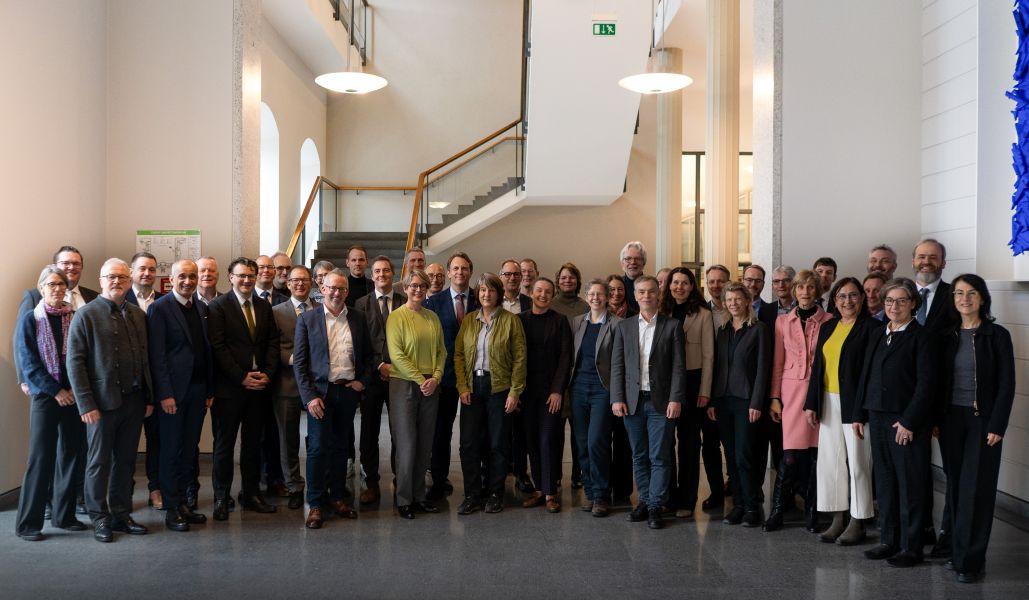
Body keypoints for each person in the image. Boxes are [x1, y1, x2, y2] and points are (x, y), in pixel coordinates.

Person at [67, 258, 153, 542]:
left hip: (134, 401)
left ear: (129, 281)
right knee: (98, 463)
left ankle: (121, 515)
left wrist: (149, 397)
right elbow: (75, 362)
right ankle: (99, 518)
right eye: (111, 277)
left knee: (126, 462)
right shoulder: (86, 315)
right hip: (101, 405)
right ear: (101, 280)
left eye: (122, 277)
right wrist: (86, 404)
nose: (117, 281)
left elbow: (144, 358)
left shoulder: (137, 314)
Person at [938, 274, 1015, 583]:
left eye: (971, 293)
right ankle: (958, 553)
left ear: (982, 298)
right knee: (956, 487)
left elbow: (1007, 384)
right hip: (951, 421)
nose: (964, 299)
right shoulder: (947, 335)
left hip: (983, 421)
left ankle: (970, 561)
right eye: (958, 293)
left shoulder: (997, 335)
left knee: (977, 489)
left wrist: (998, 424)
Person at [856, 278, 935, 568]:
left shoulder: (922, 337)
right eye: (889, 300)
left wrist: (909, 421)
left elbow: (927, 385)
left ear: (913, 303)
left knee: (910, 484)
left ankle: (911, 547)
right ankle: (888, 540)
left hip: (906, 421)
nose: (894, 306)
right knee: (886, 482)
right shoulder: (879, 333)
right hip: (877, 416)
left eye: (902, 300)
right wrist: (859, 414)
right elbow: (866, 374)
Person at [293, 269, 374, 529]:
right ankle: (316, 503)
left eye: (341, 289)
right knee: (317, 449)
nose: (336, 293)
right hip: (320, 395)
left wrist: (362, 382)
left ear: (347, 292)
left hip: (347, 392)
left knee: (341, 448)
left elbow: (369, 357)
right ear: (322, 289)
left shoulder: (358, 318)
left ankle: (338, 497)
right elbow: (300, 364)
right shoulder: (308, 320)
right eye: (332, 288)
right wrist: (309, 398)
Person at [14, 265, 87, 541]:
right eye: (51, 284)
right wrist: (56, 391)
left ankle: (64, 517)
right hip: (46, 398)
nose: (57, 289)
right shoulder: (31, 319)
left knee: (70, 456)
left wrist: (74, 390)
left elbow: (83, 357)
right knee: (40, 459)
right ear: (41, 287)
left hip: (73, 397)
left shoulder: (75, 317)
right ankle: (28, 525)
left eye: (61, 284)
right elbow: (29, 363)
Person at [207, 257, 280, 520]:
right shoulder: (218, 306)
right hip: (230, 389)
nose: (247, 280)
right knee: (224, 446)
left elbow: (272, 342)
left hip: (259, 387)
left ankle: (251, 494)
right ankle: (221, 497)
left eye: (251, 275)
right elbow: (218, 347)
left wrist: (268, 373)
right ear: (231, 277)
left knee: (253, 445)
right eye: (242, 276)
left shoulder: (263, 306)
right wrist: (241, 377)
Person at [803, 277, 875, 545]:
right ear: (834, 300)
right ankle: (837, 517)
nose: (848, 301)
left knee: (858, 464)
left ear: (862, 298)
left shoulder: (872, 328)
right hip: (828, 401)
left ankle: (858, 520)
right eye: (842, 296)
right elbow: (817, 368)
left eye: (853, 295)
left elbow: (870, 374)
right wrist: (811, 403)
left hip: (855, 404)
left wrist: (861, 411)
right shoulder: (829, 326)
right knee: (830, 462)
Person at [611, 275, 684, 530]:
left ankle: (655, 505)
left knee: (659, 456)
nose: (646, 296)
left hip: (661, 402)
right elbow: (617, 366)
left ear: (658, 294)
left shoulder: (672, 326)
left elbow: (678, 367)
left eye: (651, 291)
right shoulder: (624, 327)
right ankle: (644, 500)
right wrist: (617, 398)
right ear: (635, 295)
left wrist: (676, 398)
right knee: (639, 455)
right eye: (641, 292)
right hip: (633, 402)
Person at [146, 259, 213, 531]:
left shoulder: (201, 307)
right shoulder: (159, 308)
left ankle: (184, 503)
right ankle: (172, 508)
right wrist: (165, 394)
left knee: (189, 450)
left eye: (192, 276)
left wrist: (209, 389)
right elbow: (157, 356)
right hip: (173, 394)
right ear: (171, 280)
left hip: (198, 391)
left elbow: (205, 351)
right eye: (182, 276)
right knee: (171, 450)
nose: (188, 281)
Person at [764, 269, 833, 533]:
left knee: (816, 457)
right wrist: (774, 397)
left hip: (820, 392)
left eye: (811, 287)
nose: (805, 292)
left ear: (818, 291)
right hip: (791, 393)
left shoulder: (830, 320)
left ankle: (812, 512)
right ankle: (777, 510)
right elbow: (777, 363)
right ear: (795, 291)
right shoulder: (782, 322)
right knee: (790, 456)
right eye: (801, 288)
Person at [453, 273, 527, 515]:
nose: (486, 294)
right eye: (483, 290)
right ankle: (472, 494)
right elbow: (459, 355)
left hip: (500, 388)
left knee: (498, 443)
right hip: (472, 387)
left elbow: (520, 358)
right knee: (468, 444)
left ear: (499, 294)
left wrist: (515, 392)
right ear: (478, 294)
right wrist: (463, 386)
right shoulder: (469, 321)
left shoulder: (511, 321)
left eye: (491, 290)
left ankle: (495, 493)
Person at [385, 269, 446, 519]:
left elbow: (442, 351)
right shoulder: (396, 317)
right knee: (407, 444)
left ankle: (420, 496)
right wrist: (422, 380)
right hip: (405, 384)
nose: (418, 289)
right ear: (405, 288)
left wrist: (436, 378)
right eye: (413, 285)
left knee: (424, 443)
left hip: (431, 385)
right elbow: (396, 355)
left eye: (422, 286)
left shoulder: (432, 317)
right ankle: (404, 498)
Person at [709, 283, 770, 527]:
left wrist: (757, 402)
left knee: (745, 455)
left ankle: (752, 506)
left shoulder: (759, 329)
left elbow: (763, 369)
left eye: (737, 299)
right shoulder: (723, 330)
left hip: (747, 401)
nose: (733, 303)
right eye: (729, 299)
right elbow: (717, 367)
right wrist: (713, 401)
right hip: (723, 401)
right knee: (731, 456)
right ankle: (738, 505)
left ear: (747, 301)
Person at [422, 252, 478, 501]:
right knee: (441, 433)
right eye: (455, 268)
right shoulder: (434, 302)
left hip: (473, 377)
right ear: (448, 273)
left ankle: (476, 483)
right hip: (443, 378)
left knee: (473, 434)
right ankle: (439, 480)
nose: (460, 272)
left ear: (470, 272)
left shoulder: (481, 299)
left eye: (464, 268)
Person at [660, 267, 714, 520]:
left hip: (693, 383)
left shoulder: (703, 314)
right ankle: (668, 497)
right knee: (665, 443)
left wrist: (705, 391)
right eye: (675, 282)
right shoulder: (661, 311)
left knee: (689, 444)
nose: (679, 287)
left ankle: (686, 499)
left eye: (684, 283)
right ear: (668, 285)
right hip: (665, 384)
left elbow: (709, 356)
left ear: (692, 286)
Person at [353, 255, 405, 505]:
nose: (382, 275)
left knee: (399, 430)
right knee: (369, 432)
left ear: (393, 274)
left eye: (386, 270)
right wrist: (379, 365)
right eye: (377, 271)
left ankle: (400, 479)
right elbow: (361, 342)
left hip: (400, 377)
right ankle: (371, 482)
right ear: (372, 275)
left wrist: (396, 366)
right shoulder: (361, 304)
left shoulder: (405, 301)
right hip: (372, 378)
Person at [911, 238, 951, 554]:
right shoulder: (900, 295)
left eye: (933, 257)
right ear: (913, 260)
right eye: (922, 256)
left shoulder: (955, 296)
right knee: (914, 468)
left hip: (944, 398)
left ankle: (948, 533)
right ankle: (919, 527)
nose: (927, 262)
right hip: (905, 399)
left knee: (951, 470)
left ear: (943, 263)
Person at [518, 278, 573, 512]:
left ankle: (551, 493)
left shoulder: (560, 321)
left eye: (548, 292)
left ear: (553, 295)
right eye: (539, 290)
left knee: (547, 439)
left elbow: (566, 357)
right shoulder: (520, 320)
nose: (543, 295)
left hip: (550, 392)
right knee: (531, 440)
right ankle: (539, 489)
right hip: (526, 391)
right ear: (531, 293)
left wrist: (558, 390)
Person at [569, 279, 621, 517]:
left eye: (600, 294)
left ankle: (601, 495)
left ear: (608, 297)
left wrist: (617, 395)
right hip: (578, 388)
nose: (595, 298)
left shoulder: (617, 324)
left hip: (603, 390)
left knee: (596, 442)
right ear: (586, 296)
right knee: (581, 443)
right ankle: (590, 492)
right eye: (591, 294)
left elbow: (619, 363)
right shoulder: (578, 322)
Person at [271, 265, 318, 510]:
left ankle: (317, 483)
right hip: (287, 384)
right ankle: (294, 486)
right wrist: (295, 360)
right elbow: (271, 346)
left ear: (312, 283)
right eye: (295, 281)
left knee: (317, 438)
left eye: (304, 280)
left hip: (317, 385)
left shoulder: (321, 309)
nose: (300, 284)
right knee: (288, 438)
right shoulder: (276, 312)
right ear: (288, 284)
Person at [125, 251, 164, 510]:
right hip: (129, 385)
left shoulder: (164, 301)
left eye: (151, 269)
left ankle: (156, 488)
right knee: (125, 443)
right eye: (142, 269)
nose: (147, 273)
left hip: (157, 383)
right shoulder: (120, 299)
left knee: (157, 440)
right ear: (131, 272)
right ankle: (124, 492)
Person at [620, 241, 647, 312]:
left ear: (644, 262)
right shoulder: (616, 286)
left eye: (637, 258)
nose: (633, 262)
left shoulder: (652, 285)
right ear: (622, 263)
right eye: (628, 259)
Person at [705, 264, 730, 329]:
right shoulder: (702, 312)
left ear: (729, 283)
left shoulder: (739, 309)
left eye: (720, 281)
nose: (715, 285)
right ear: (707, 284)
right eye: (711, 282)